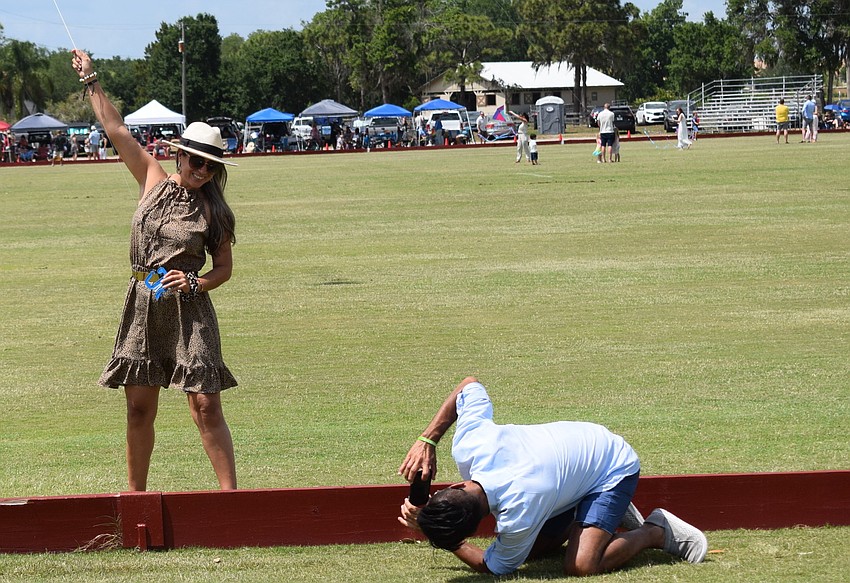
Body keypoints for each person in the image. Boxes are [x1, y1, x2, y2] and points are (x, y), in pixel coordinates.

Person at [71, 49, 239, 492]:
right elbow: (116, 129)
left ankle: (233, 501)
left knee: (205, 405)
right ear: (180, 156)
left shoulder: (216, 211)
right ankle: (136, 495)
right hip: (142, 304)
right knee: (139, 409)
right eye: (196, 160)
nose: (202, 170)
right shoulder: (151, 178)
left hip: (190, 312)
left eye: (211, 165)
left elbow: (223, 267)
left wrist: (196, 282)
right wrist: (92, 81)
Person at [398, 377, 707, 577]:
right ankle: (588, 514)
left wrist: (444, 538)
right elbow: (469, 385)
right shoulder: (470, 446)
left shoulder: (520, 513)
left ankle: (655, 530)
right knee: (533, 552)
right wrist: (428, 441)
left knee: (581, 565)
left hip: (612, 464)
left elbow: (493, 566)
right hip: (573, 461)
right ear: (456, 485)